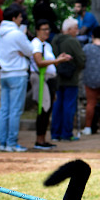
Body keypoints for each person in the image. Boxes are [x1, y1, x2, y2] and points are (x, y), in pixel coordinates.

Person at [0, 3, 32, 152]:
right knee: (15, 110)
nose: (21, 20)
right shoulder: (17, 34)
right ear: (14, 18)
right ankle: (12, 143)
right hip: (17, 73)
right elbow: (30, 51)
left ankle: (3, 142)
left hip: (4, 73)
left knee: (4, 109)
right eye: (19, 18)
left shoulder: (0, 33)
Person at [29, 20, 69, 150]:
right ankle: (39, 140)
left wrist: (58, 59)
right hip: (42, 79)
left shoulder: (46, 45)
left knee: (48, 108)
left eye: (48, 29)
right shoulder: (36, 44)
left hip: (49, 79)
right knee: (43, 109)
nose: (46, 32)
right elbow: (39, 62)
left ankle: (43, 139)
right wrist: (57, 60)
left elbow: (50, 62)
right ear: (37, 31)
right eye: (44, 29)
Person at [51, 17, 85, 142]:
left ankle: (55, 133)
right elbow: (81, 60)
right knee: (69, 106)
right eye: (76, 28)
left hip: (57, 78)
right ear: (69, 29)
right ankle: (66, 133)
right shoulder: (73, 42)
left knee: (57, 105)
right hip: (71, 79)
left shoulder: (55, 40)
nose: (77, 31)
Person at [80, 26, 100, 136]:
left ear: (92, 35)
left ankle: (88, 127)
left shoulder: (86, 48)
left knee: (90, 103)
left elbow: (82, 61)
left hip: (89, 78)